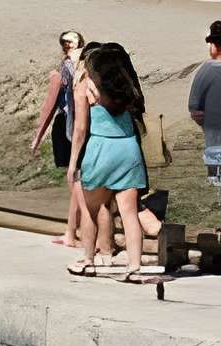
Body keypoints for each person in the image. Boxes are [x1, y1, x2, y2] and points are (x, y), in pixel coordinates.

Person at [71, 40, 152, 278]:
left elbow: (80, 129)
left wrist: (74, 162)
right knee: (129, 213)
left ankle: (88, 260)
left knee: (90, 211)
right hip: (128, 149)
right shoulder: (126, 88)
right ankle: (134, 267)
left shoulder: (86, 85)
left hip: (100, 148)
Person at [30, 31, 87, 252]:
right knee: (77, 181)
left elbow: (49, 106)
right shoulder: (82, 71)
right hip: (79, 127)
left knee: (76, 183)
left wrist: (37, 137)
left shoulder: (65, 72)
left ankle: (75, 232)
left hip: (69, 126)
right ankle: (73, 231)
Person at [192, 21, 221, 200]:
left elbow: (194, 106)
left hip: (214, 137)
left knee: (215, 177)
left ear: (215, 46)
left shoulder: (206, 70)